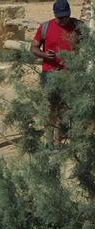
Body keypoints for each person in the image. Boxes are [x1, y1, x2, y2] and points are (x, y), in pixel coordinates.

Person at [32, 0, 82, 142]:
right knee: (50, 109)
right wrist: (44, 55)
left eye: (66, 16)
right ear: (54, 14)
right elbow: (33, 48)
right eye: (60, 17)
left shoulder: (78, 27)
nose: (63, 20)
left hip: (71, 75)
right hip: (50, 74)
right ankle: (49, 141)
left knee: (67, 108)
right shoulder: (45, 27)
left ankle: (62, 139)